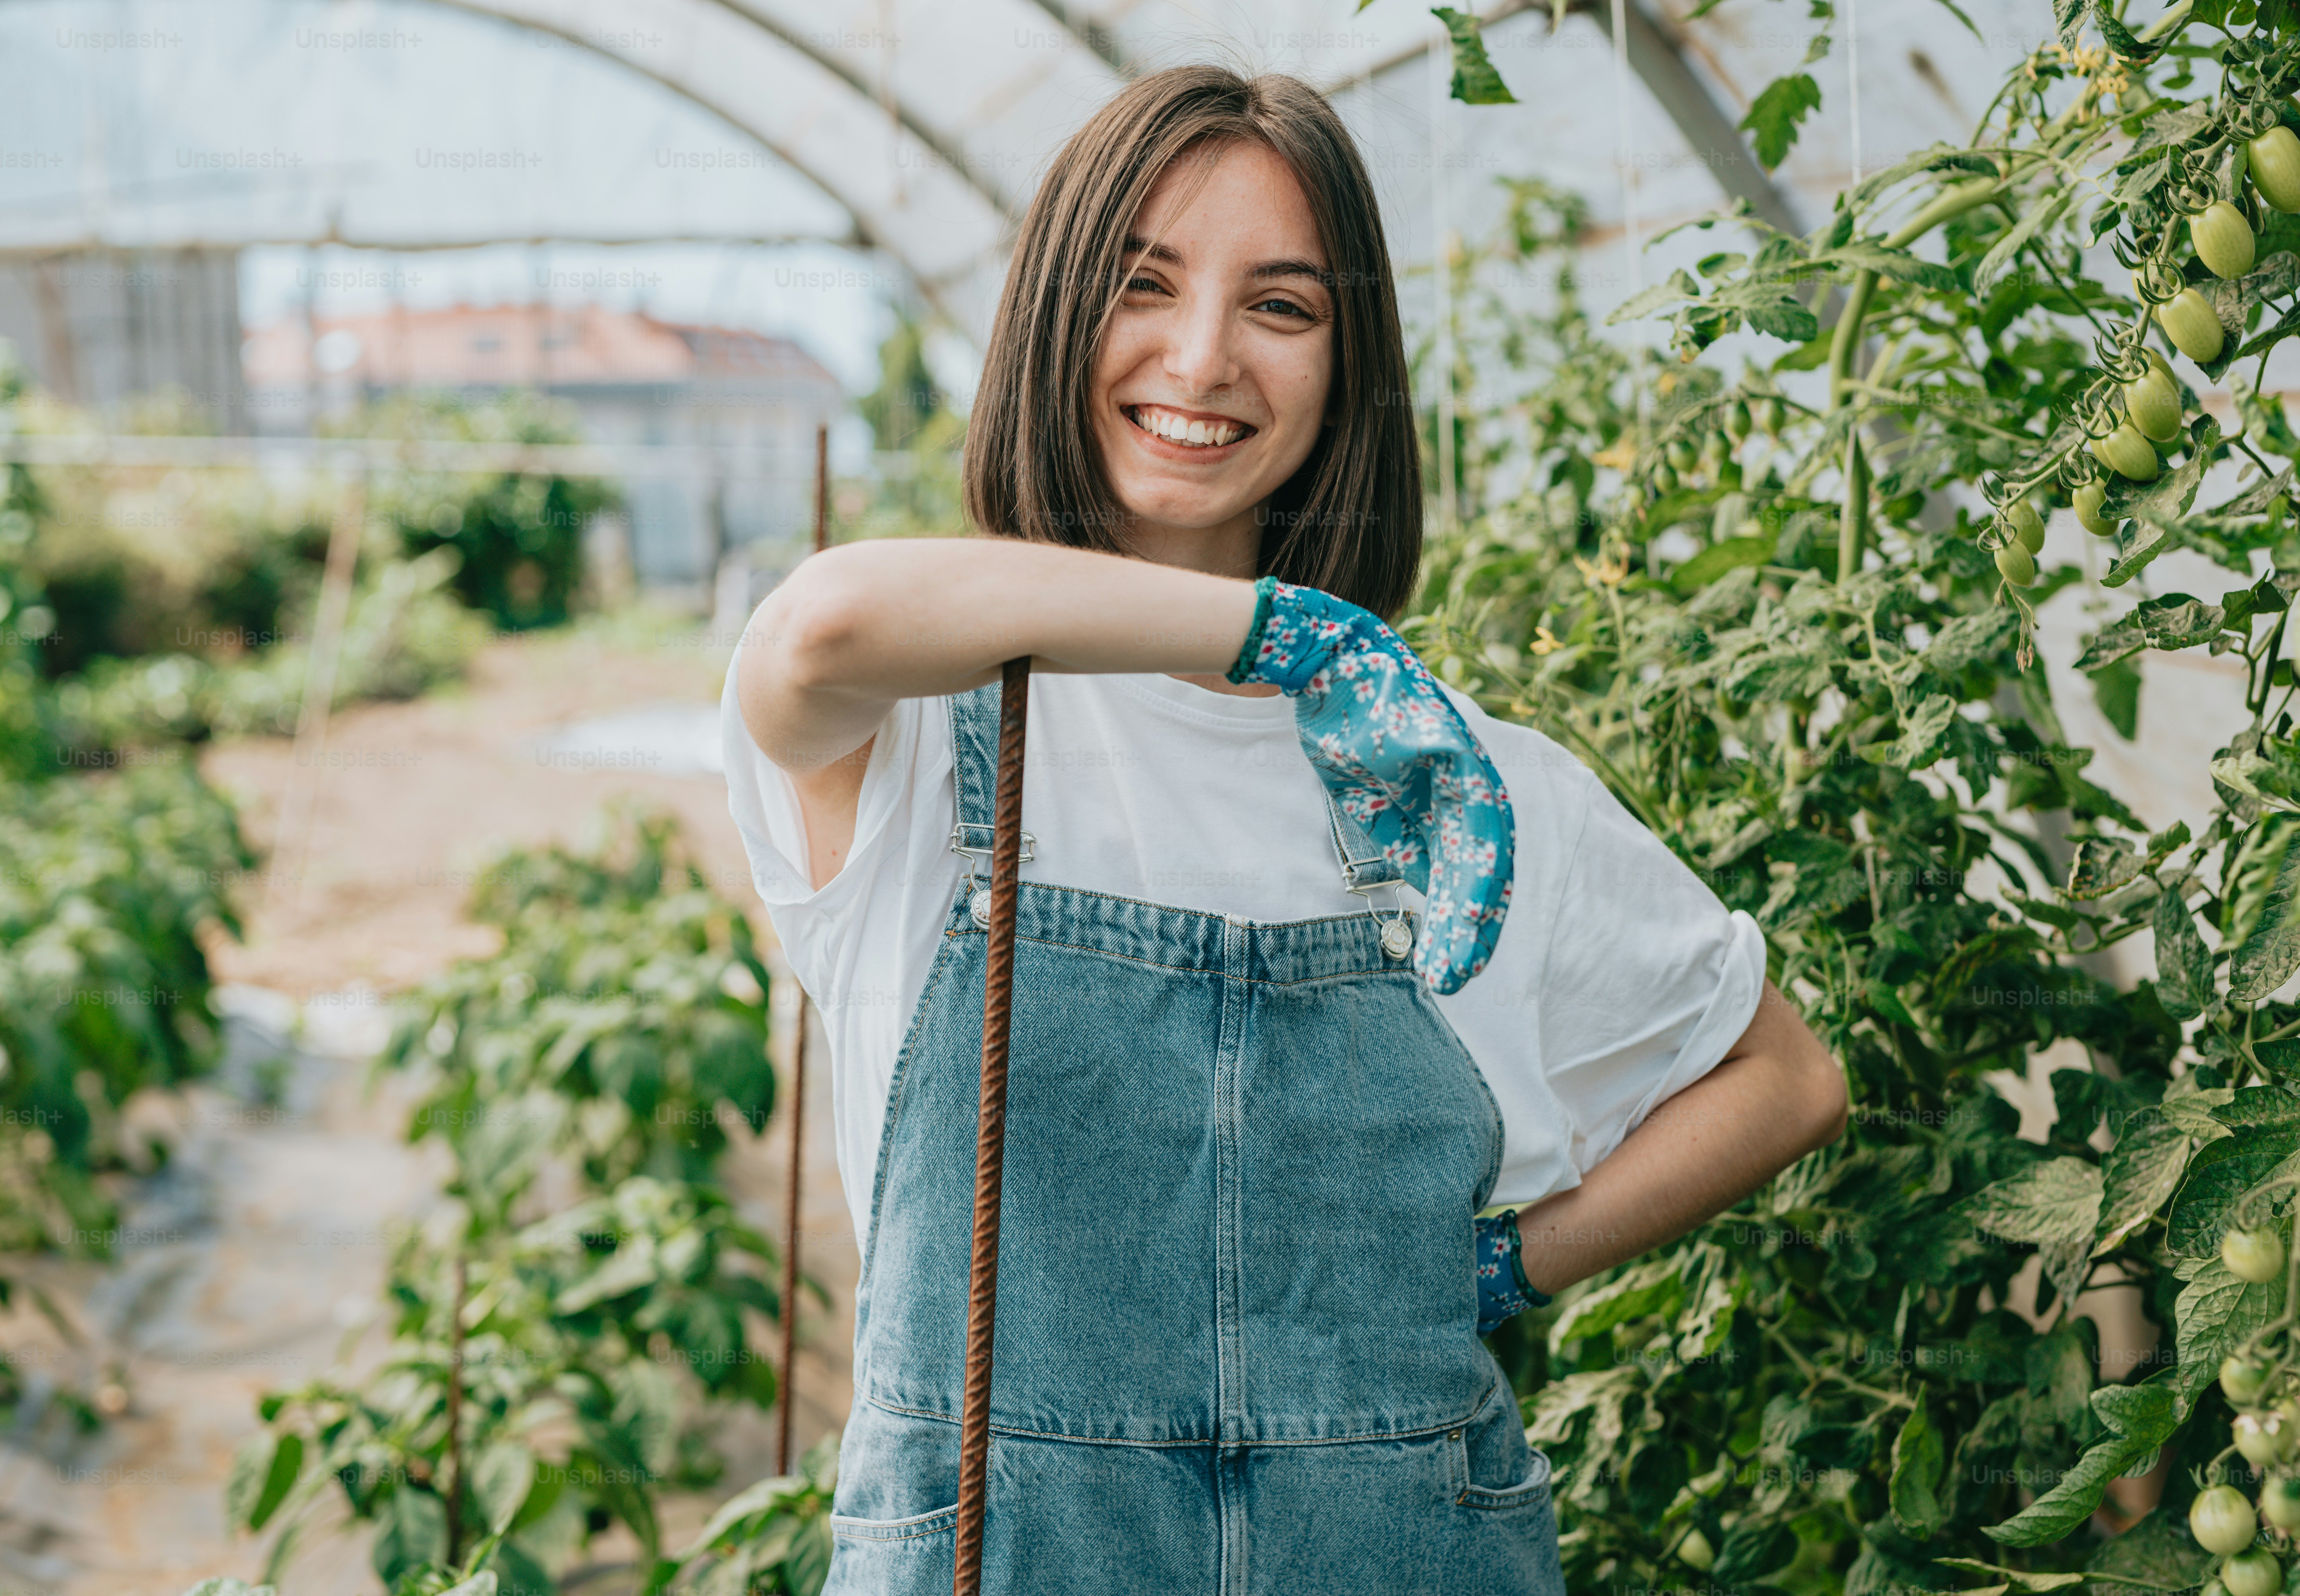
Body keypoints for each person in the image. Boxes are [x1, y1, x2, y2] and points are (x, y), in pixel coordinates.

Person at [722, 63, 1847, 1596]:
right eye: (1143, 282)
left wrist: (1504, 1266)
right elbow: (819, 627)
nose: (1203, 356)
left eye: (1284, 306)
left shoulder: (1446, 783)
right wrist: (1284, 633)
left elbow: (1783, 1076)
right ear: (1056, 312)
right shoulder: (925, 744)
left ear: (1343, 368)